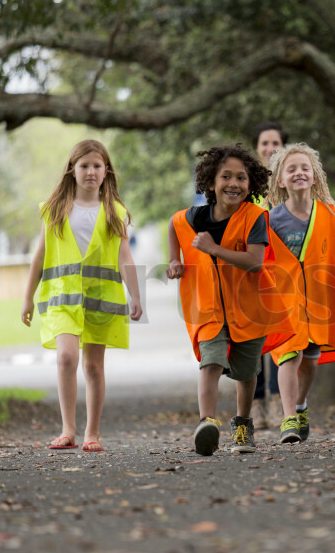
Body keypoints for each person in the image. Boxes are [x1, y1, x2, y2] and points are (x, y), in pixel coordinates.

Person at [166, 144, 295, 455]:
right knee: (210, 362)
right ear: (211, 182)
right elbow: (174, 223)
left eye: (241, 178)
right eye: (226, 176)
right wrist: (174, 259)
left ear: (251, 186)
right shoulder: (192, 218)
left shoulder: (255, 218)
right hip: (208, 310)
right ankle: (206, 423)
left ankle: (242, 424)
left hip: (249, 309)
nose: (234, 183)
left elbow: (254, 261)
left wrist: (213, 249)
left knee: (247, 372)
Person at [21, 139, 143, 453]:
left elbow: (124, 257)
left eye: (97, 166)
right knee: (65, 358)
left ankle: (92, 432)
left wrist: (136, 296)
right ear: (72, 171)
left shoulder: (114, 212)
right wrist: (27, 298)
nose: (90, 171)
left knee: (93, 367)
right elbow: (39, 256)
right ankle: (68, 429)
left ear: (106, 172)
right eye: (84, 165)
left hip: (100, 298)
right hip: (63, 298)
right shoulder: (55, 209)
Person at [266, 143, 335, 443]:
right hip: (284, 303)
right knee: (288, 357)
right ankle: (287, 420)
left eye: (304, 168)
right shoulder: (270, 220)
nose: (299, 173)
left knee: (309, 361)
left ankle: (300, 405)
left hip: (318, 303)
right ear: (280, 180)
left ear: (315, 177)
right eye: (291, 169)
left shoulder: (330, 214)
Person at [249, 121, 290, 430]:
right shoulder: (248, 183)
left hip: (282, 272)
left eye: (275, 142)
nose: (269, 148)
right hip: (251, 270)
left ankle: (278, 401)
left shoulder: (291, 181)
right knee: (252, 336)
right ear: (257, 147)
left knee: (281, 336)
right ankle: (256, 402)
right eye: (264, 143)